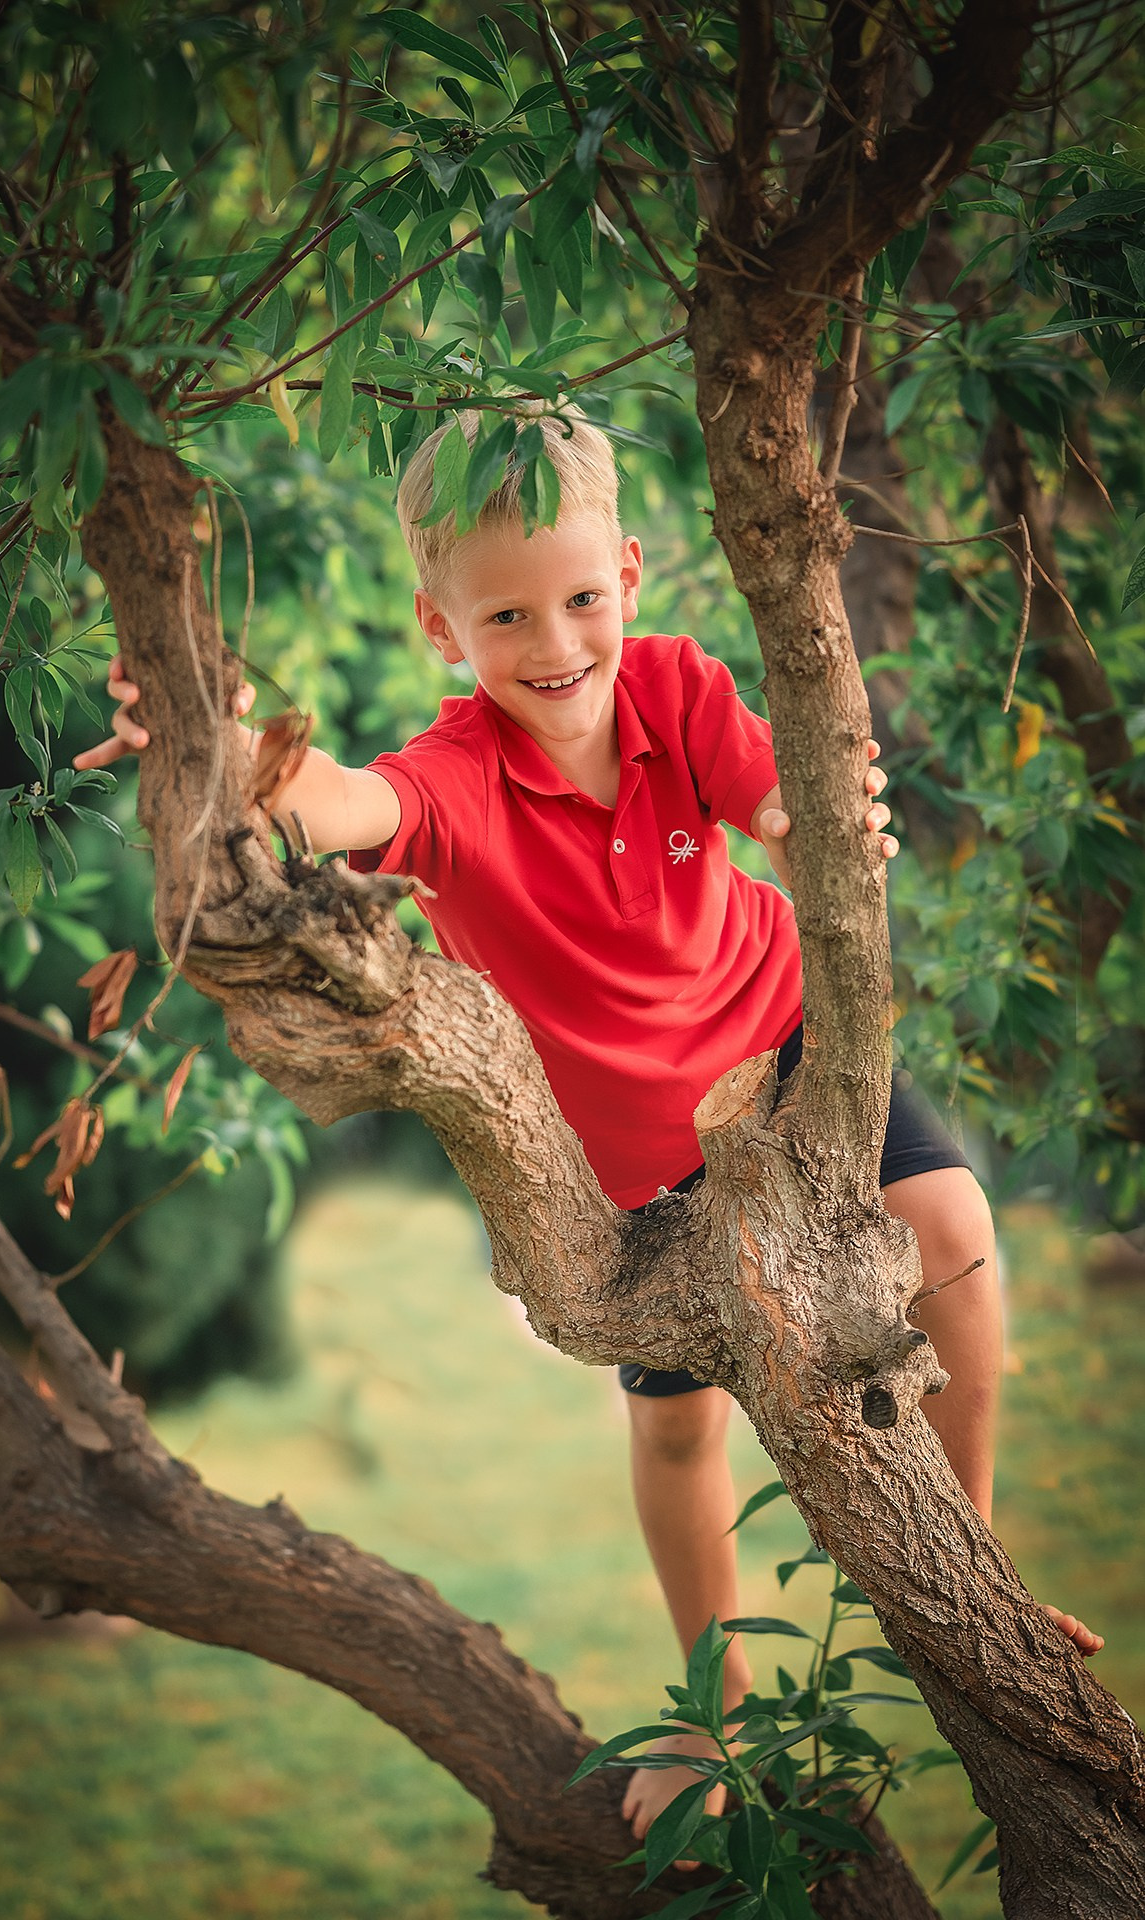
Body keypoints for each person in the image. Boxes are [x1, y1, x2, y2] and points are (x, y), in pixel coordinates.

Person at [75, 408, 1102, 1847]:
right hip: (638, 1162)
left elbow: (776, 807)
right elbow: (340, 802)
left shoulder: (677, 686)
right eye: (505, 615)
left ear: (626, 574)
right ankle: (716, 1703)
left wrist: (827, 828)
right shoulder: (450, 777)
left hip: (783, 1036)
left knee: (954, 1229)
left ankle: (974, 1570)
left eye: (580, 600)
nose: (553, 642)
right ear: (442, 628)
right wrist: (223, 746)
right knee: (684, 1434)